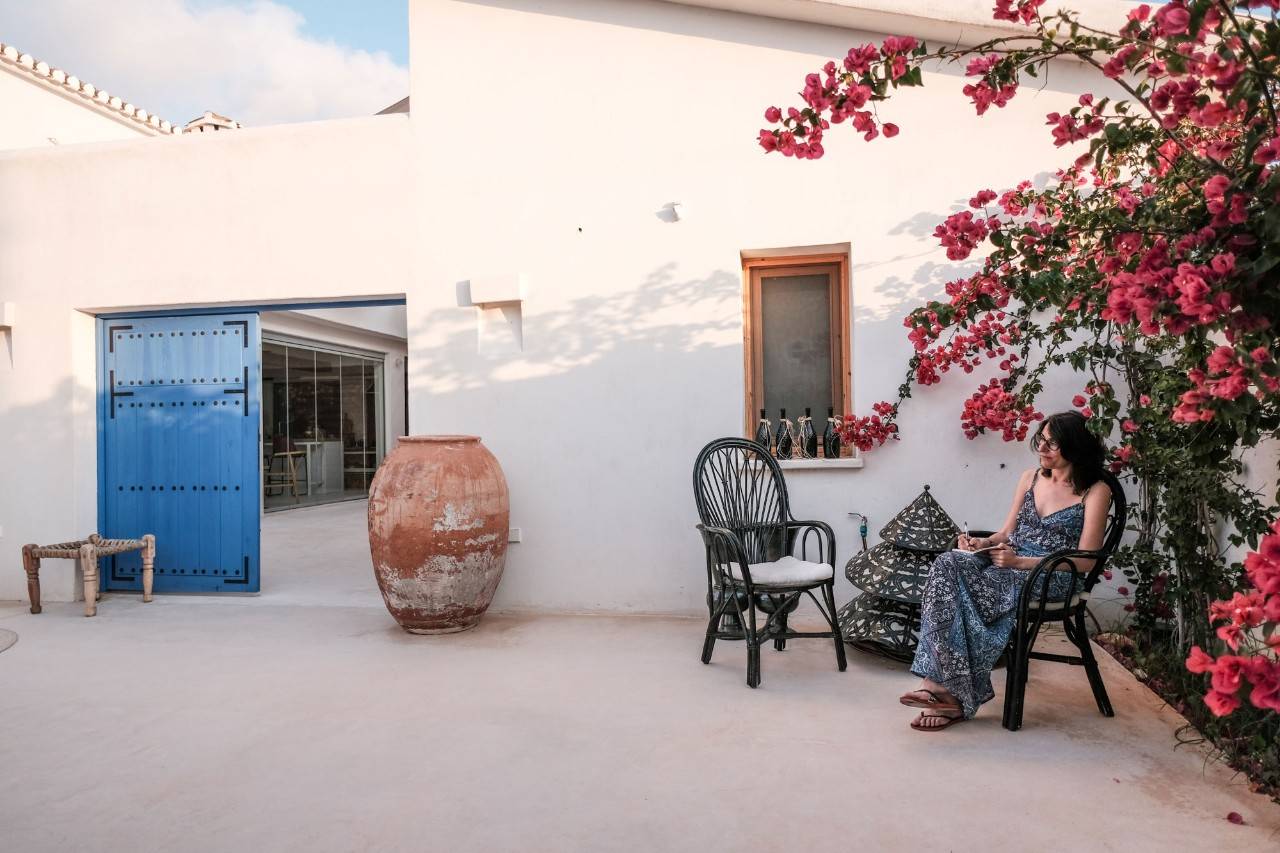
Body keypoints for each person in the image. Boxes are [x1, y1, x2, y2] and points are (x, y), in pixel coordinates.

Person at [899, 410, 1112, 731]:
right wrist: (978, 545)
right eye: (1041, 439)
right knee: (948, 563)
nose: (1042, 448)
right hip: (1009, 566)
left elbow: (1086, 560)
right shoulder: (1030, 477)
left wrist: (1020, 563)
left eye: (1052, 444)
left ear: (1074, 446)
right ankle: (942, 689)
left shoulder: (1095, 491)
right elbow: (1005, 535)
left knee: (976, 591)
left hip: (1055, 575)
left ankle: (945, 694)